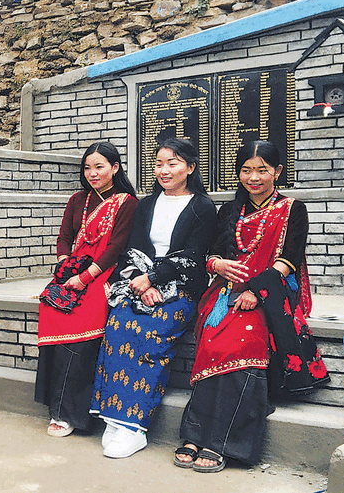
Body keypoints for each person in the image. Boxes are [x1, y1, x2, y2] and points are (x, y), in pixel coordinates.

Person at [175, 141, 329, 473]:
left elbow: (289, 259)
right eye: (246, 170)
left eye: (262, 170)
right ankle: (194, 433)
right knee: (213, 339)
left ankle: (224, 441)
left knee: (244, 340)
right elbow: (212, 254)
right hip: (225, 292)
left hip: (271, 294)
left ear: (278, 172)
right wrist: (217, 265)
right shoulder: (229, 211)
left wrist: (257, 292)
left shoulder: (292, 209)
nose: (254, 177)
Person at [89, 138, 217, 458]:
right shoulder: (145, 204)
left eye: (172, 163)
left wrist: (155, 279)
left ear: (190, 167)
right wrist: (143, 283)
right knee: (119, 324)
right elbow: (131, 249)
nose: (164, 170)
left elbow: (194, 255)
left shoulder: (202, 207)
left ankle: (134, 427)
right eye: (159, 164)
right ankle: (114, 418)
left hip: (181, 288)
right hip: (140, 283)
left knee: (148, 332)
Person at [35, 142, 138, 437]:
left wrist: (85, 277)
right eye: (87, 168)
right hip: (74, 270)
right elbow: (64, 238)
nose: (92, 173)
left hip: (105, 272)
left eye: (99, 167)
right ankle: (55, 405)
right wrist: (65, 265)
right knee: (51, 308)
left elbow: (117, 246)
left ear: (114, 168)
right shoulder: (77, 199)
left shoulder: (127, 202)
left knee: (84, 314)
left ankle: (71, 413)